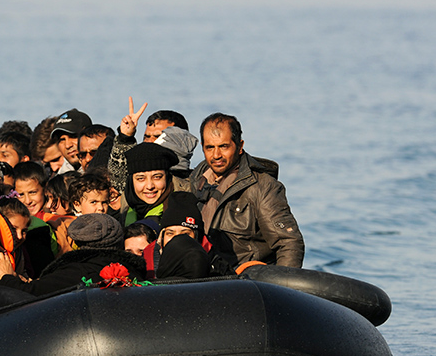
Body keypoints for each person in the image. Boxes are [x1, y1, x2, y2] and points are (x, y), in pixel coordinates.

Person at [189, 112, 304, 270]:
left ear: (240, 146)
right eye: (210, 147)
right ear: (202, 148)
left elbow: (289, 243)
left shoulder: (262, 187)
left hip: (247, 281)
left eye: (224, 146)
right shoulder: (194, 181)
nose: (216, 155)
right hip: (205, 277)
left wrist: (282, 287)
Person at [0, 213, 146, 296]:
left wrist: (7, 277)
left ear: (78, 242)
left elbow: (29, 294)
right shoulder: (134, 271)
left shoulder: (77, 271)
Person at [120, 142, 179, 226]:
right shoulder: (125, 206)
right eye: (141, 178)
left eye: (157, 177)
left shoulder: (183, 205)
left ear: (167, 177)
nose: (150, 186)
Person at [51, 108, 92, 174]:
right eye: (62, 140)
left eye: (73, 136)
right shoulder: (58, 181)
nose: (67, 145)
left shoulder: (110, 171)